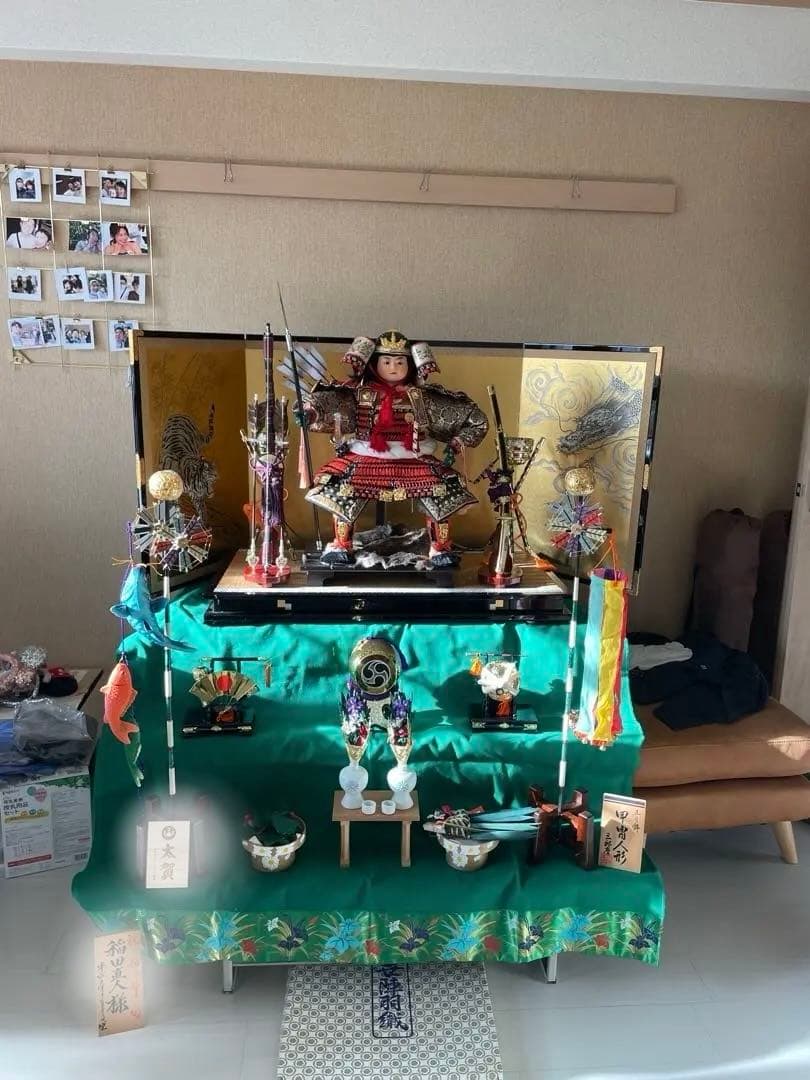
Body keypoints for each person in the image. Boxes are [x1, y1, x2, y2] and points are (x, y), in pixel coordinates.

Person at [301, 330, 489, 567]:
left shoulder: (423, 397)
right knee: (341, 489)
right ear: (374, 365)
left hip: (414, 457)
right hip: (365, 454)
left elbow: (473, 418)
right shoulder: (358, 394)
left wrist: (457, 442)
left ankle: (439, 548)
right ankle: (341, 544)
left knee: (441, 491)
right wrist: (311, 412)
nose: (393, 368)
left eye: (400, 362)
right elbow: (331, 404)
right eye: (387, 362)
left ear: (410, 366)